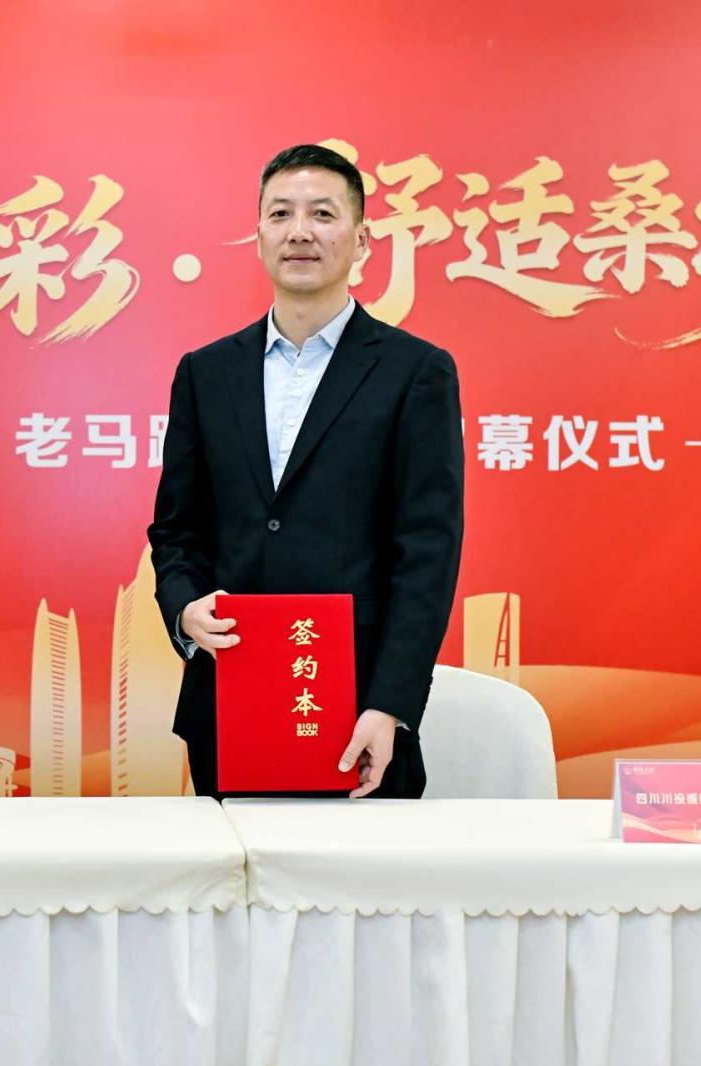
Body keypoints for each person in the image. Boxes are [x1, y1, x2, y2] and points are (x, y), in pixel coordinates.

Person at [148, 144, 464, 799]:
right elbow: (177, 529)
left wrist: (391, 704)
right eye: (280, 214)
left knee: (365, 871)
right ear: (259, 236)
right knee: (230, 868)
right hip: (229, 698)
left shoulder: (415, 372)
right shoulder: (206, 374)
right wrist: (183, 609)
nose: (299, 232)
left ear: (361, 240)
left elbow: (427, 554)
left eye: (322, 214)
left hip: (360, 712)